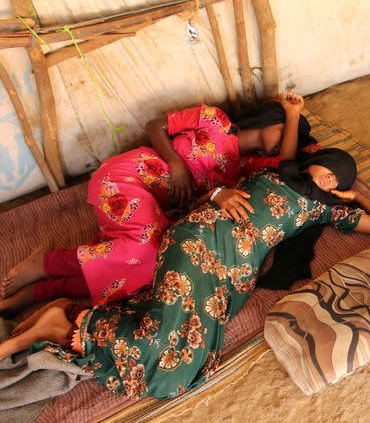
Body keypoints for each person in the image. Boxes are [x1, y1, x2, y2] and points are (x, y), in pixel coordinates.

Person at [0, 148, 370, 399]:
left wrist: (355, 196)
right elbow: (205, 187)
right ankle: (56, 324)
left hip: (234, 274)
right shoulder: (269, 174)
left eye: (338, 181)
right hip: (197, 240)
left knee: (183, 367)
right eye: (331, 170)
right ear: (316, 161)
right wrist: (215, 194)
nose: (332, 180)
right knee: (167, 346)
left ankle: (64, 320)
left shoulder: (324, 209)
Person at [0, 92, 312, 313]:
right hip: (126, 177)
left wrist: (294, 115)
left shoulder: (238, 170)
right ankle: (44, 264)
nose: (286, 137)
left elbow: (284, 161)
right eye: (285, 128)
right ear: (269, 117)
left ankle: (42, 290)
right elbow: (155, 125)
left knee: (151, 269)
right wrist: (175, 163)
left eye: (292, 135)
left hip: (149, 209)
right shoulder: (214, 120)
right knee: (144, 250)